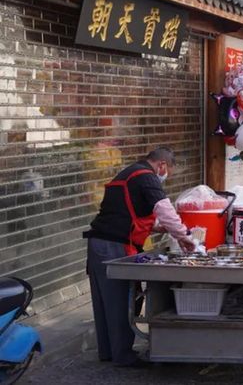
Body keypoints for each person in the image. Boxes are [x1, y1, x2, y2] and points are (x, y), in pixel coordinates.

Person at [83, 147, 196, 366]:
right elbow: (164, 208)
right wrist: (184, 235)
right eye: (167, 172)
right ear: (162, 165)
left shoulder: (129, 173)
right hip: (113, 245)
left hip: (100, 243)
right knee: (121, 300)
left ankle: (110, 353)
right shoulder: (146, 176)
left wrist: (159, 228)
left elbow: (127, 212)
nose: (164, 177)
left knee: (106, 301)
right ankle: (123, 357)